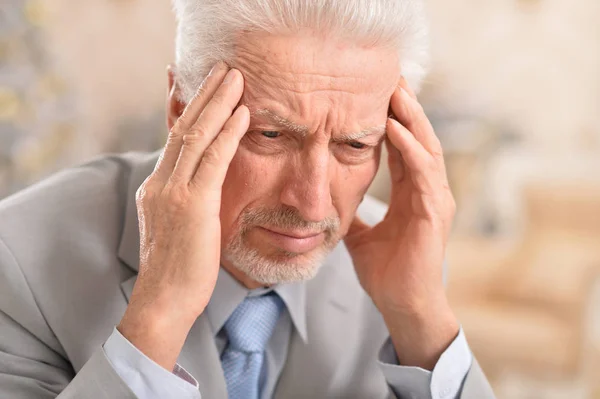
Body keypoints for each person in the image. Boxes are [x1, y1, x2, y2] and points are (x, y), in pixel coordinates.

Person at [0, 1, 496, 398]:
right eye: (272, 134)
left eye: (355, 145)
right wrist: (160, 315)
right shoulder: (17, 260)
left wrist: (422, 320)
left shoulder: (403, 271)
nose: (312, 204)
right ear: (181, 110)